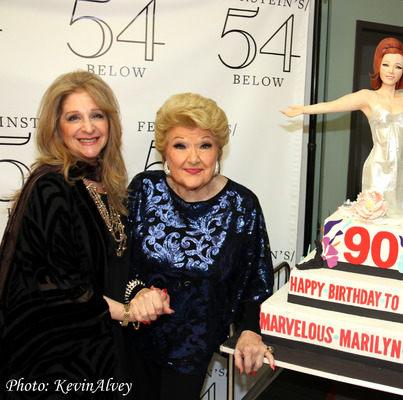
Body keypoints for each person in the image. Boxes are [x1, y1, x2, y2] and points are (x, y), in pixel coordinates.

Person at [0, 71, 172, 397]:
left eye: (97, 115)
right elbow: (59, 288)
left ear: (111, 123)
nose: (88, 127)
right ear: (56, 128)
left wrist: (142, 293)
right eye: (74, 117)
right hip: (58, 364)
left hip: (107, 354)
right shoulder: (50, 188)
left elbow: (114, 269)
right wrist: (129, 312)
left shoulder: (111, 189)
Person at [126, 93, 275, 400]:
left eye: (204, 145)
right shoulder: (143, 190)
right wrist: (136, 291)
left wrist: (250, 330)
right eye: (181, 145)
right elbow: (119, 262)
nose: (193, 158)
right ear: (164, 151)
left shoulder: (241, 205)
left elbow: (256, 281)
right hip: (131, 341)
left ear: (218, 150)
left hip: (192, 354)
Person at [282, 37, 403, 214]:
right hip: (377, 169)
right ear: (378, 65)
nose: (391, 71)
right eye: (386, 64)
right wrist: (304, 109)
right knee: (372, 218)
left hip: (400, 170)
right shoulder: (368, 97)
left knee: (395, 219)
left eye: (398, 67)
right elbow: (334, 105)